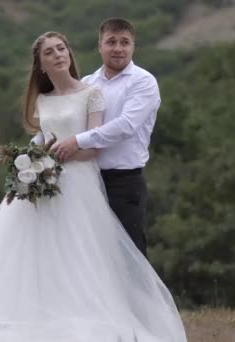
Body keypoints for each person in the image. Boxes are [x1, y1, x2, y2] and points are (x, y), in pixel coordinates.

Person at [0, 31, 187, 342]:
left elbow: (94, 147)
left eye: (61, 48)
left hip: (80, 185)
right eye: (49, 52)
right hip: (47, 181)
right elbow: (42, 138)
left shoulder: (91, 93)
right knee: (35, 253)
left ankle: (102, 318)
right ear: (41, 65)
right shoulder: (42, 100)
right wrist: (28, 162)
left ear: (70, 53)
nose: (58, 55)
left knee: (83, 255)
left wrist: (68, 149)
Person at [50, 18, 160, 256]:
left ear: (133, 46)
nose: (118, 48)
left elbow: (126, 126)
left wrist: (76, 141)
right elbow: (67, 124)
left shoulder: (144, 82)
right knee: (90, 257)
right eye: (111, 42)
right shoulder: (87, 83)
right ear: (100, 45)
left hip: (124, 182)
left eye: (125, 42)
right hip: (86, 181)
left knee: (129, 257)